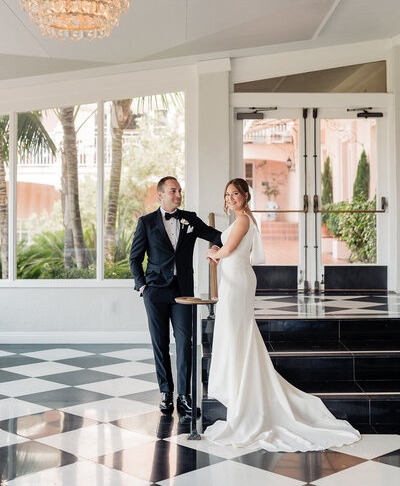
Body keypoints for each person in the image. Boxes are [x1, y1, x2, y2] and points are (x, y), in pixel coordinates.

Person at [204, 178, 361, 452]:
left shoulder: (242, 220)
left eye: (235, 194)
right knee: (238, 335)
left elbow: (228, 250)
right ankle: (242, 390)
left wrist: (214, 251)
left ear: (245, 196)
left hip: (238, 281)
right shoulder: (245, 217)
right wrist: (219, 252)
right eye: (227, 194)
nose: (230, 198)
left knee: (236, 334)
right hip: (235, 279)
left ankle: (244, 397)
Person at [130, 176, 222, 415]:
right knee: (159, 344)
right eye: (173, 191)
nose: (179, 195)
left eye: (180, 191)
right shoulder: (146, 222)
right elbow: (135, 258)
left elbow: (216, 235)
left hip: (183, 292)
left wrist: (239, 233)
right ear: (160, 194)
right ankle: (165, 393)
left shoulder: (189, 219)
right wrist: (142, 286)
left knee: (185, 342)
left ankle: (184, 395)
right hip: (155, 291)